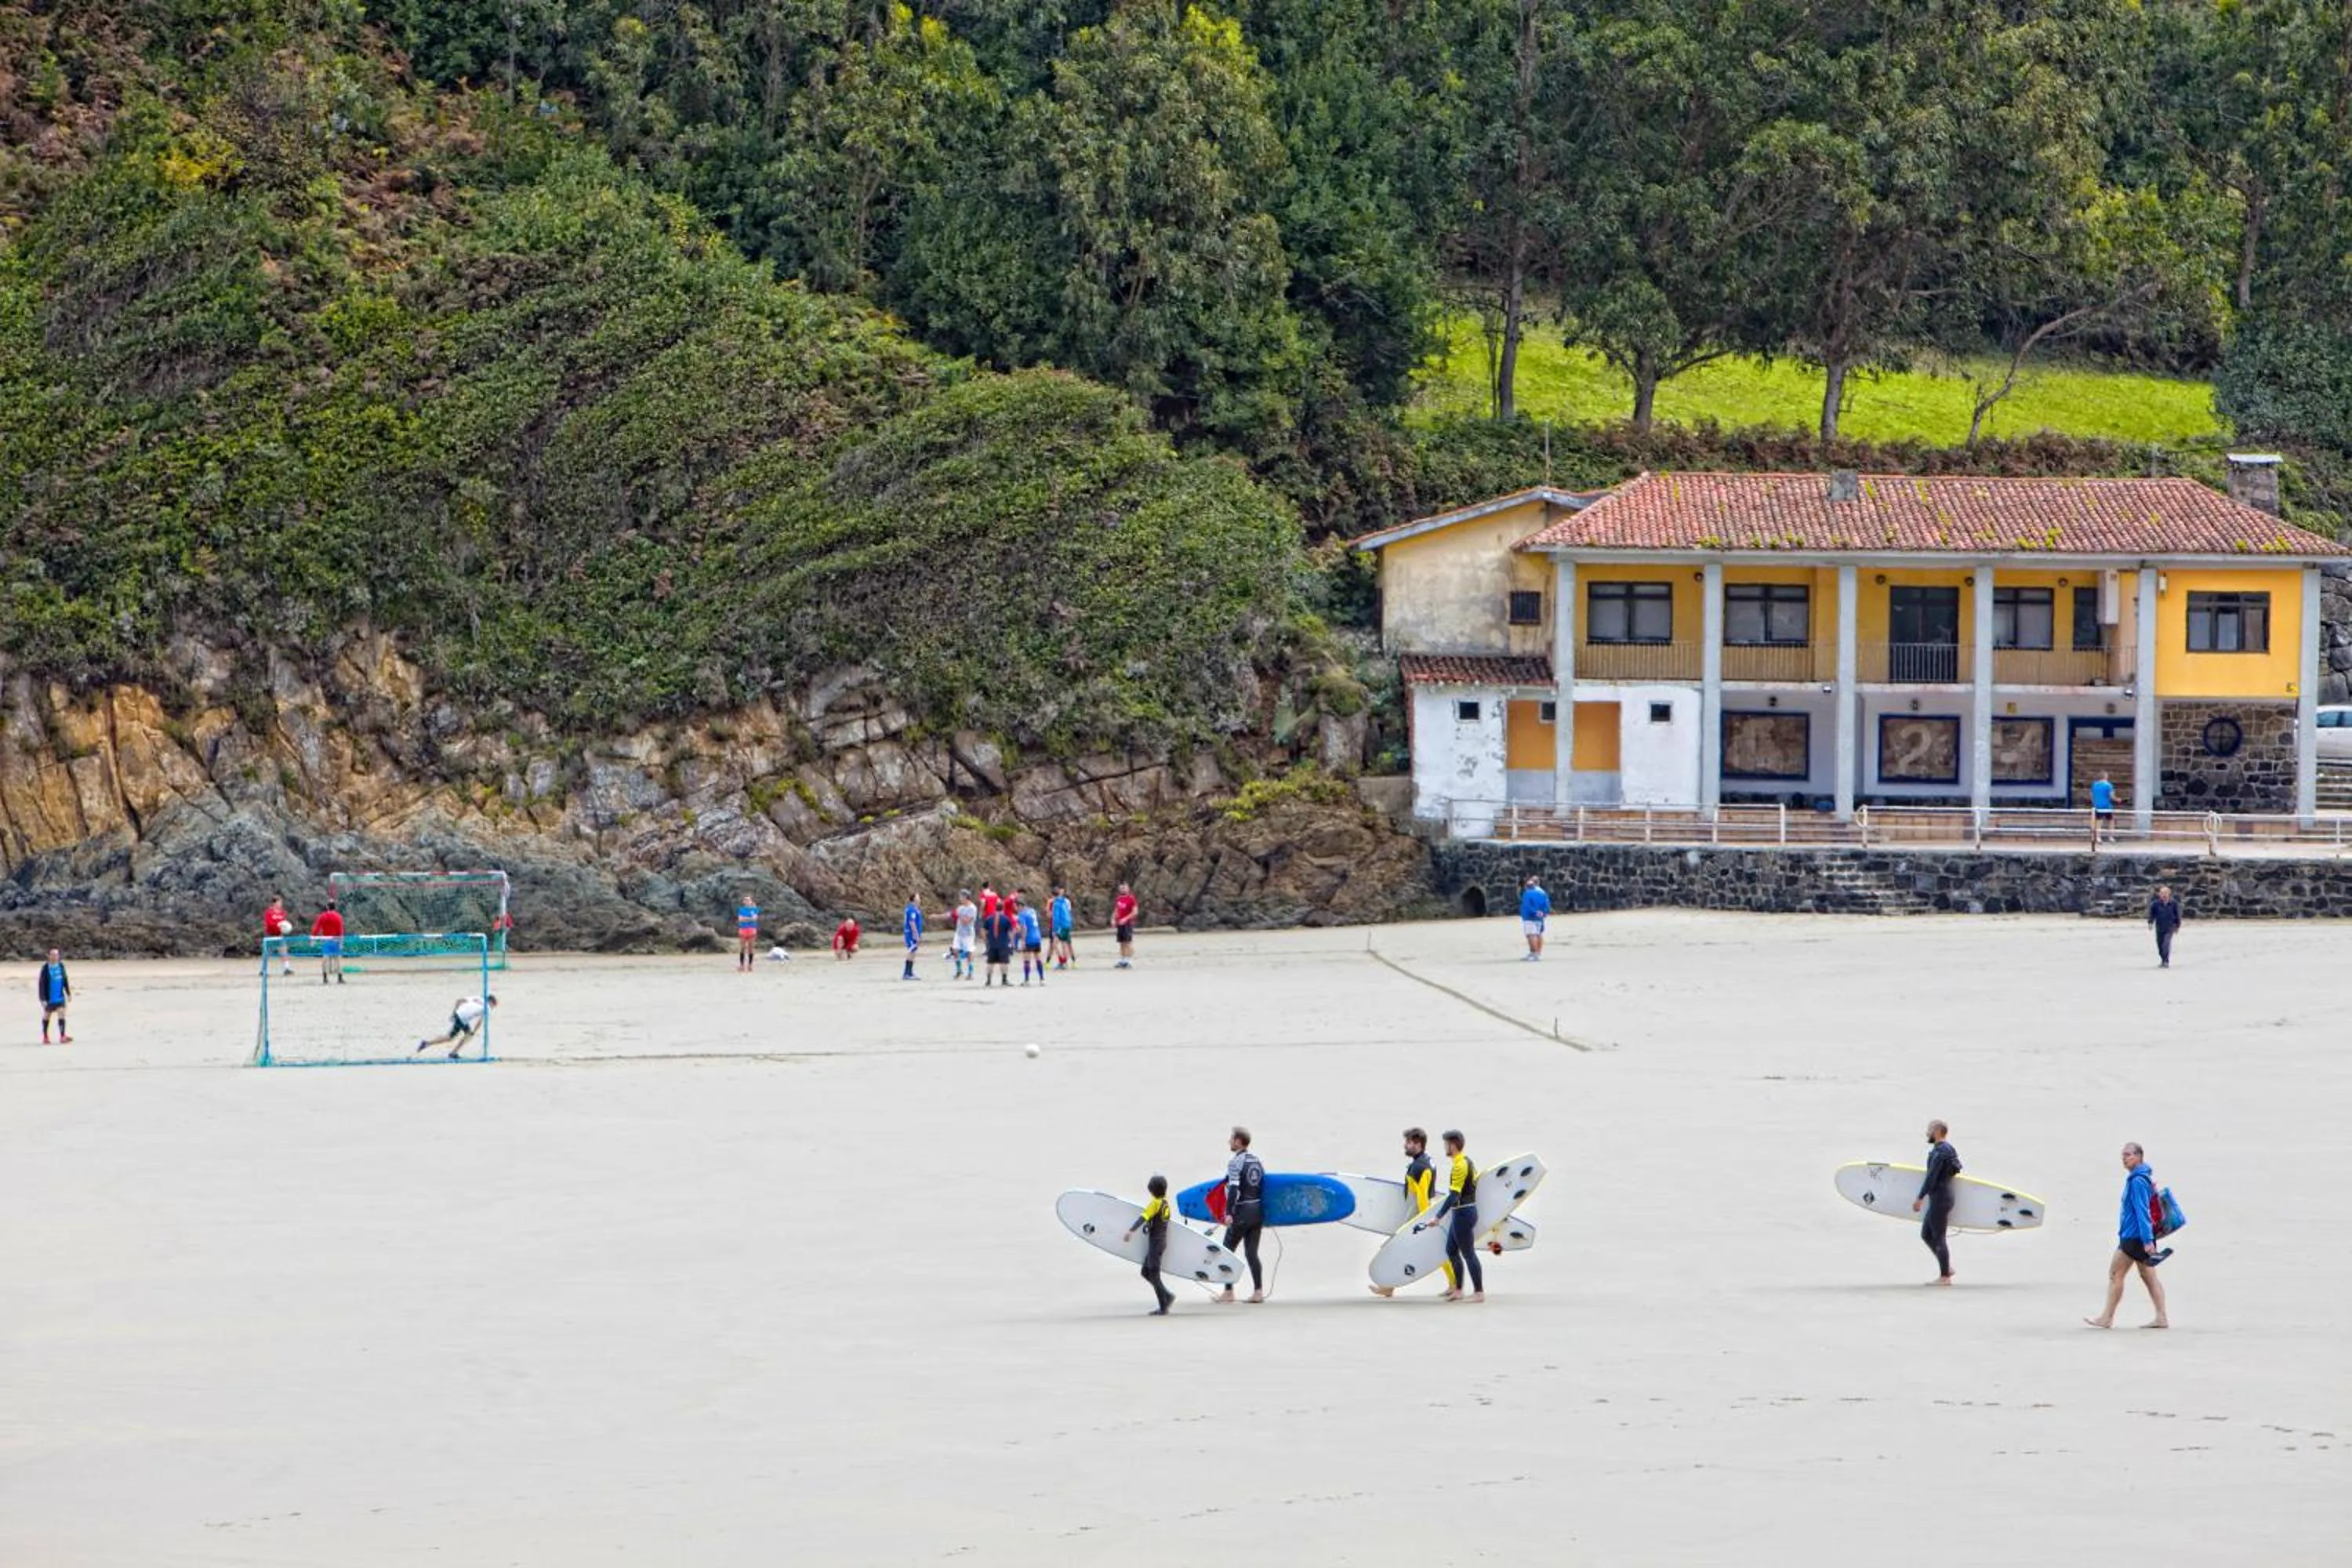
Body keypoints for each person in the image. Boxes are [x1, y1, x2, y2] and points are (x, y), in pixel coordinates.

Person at [2085, 1142, 2172, 1330]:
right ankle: (2162, 1317)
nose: (2124, 1159)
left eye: (2128, 1155)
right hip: (2137, 1236)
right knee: (2149, 1276)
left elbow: (2143, 1211)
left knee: (2115, 1274)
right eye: (2123, 1156)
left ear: (2139, 1156)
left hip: (2134, 1238)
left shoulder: (2138, 1181)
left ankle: (2107, 1318)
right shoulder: (2141, 1178)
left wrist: (2147, 1241)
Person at [1369, 1127, 1454, 1298]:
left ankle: (1388, 1287)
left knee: (1393, 1249)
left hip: (1416, 1217)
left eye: (1408, 1143)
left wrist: (1423, 1221)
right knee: (1437, 1250)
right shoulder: (1426, 1161)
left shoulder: (1419, 1167)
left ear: (1418, 1144)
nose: (1405, 1146)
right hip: (1419, 1214)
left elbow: (1422, 1197)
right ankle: (1454, 1284)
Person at [1430, 1129, 1485, 1303]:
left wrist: (1438, 1216)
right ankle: (1459, 1290)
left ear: (1453, 1145)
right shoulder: (1466, 1161)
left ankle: (1479, 1293)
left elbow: (1454, 1195)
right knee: (1451, 1250)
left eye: (1446, 1144)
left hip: (1464, 1214)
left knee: (1469, 1254)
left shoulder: (1460, 1166)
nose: (1445, 1147)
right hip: (1461, 1213)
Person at [1215, 1127, 1266, 1304]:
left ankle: (1229, 1292)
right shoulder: (1257, 1161)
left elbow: (1234, 1189)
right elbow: (1263, 1187)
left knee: (1227, 1251)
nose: (1229, 1142)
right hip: (1257, 1213)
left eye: (1231, 1139)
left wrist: (1229, 1213)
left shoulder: (1235, 1162)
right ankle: (1258, 1292)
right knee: (1252, 1253)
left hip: (1242, 1212)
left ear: (1238, 1142)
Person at [1911, 1120, 1961, 1286]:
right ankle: (1947, 1268)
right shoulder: (1949, 1149)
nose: (1927, 1134)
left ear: (1938, 1131)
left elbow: (1931, 1177)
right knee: (1926, 1234)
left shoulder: (1940, 1152)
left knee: (1939, 1237)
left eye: (1929, 1130)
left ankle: (1945, 1277)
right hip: (1944, 1197)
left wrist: (1920, 1198)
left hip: (1940, 1198)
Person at [1122, 1174, 1179, 1316]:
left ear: (1152, 1190)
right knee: (1145, 1272)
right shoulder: (1165, 1203)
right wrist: (1150, 1225)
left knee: (1154, 1274)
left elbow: (1143, 1217)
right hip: (1160, 1242)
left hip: (1156, 1243)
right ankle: (1167, 1296)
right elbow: (1156, 1220)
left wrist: (1131, 1231)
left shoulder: (1156, 1203)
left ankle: (1164, 1306)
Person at [416, 994, 496, 1060]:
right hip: (463, 1018)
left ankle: (428, 1044)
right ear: (491, 1002)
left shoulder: (477, 998)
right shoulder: (488, 1007)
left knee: (451, 1037)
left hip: (459, 1015)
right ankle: (452, 1052)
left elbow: (459, 1001)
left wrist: (454, 1013)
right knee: (465, 1035)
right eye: (493, 1006)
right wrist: (474, 1032)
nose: (492, 1008)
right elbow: (480, 1021)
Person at [979, 896, 1017, 987]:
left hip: (992, 944)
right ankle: (1004, 980)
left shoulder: (989, 919)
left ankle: (988, 981)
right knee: (1004, 962)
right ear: (1003, 909)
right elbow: (1010, 932)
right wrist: (1012, 943)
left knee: (990, 962)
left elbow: (982, 931)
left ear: (995, 908)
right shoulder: (1006, 919)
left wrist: (986, 940)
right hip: (1003, 944)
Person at [36, 948, 71, 1044]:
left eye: (56, 955)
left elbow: (65, 979)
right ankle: (45, 1037)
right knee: (47, 1016)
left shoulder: (61, 966)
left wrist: (68, 993)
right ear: (49, 956)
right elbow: (41, 984)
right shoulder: (45, 968)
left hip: (60, 996)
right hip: (49, 998)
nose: (55, 957)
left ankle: (62, 1036)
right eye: (53, 955)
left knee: (61, 1014)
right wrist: (42, 999)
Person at [310, 898, 346, 985]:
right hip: (336, 939)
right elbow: (340, 931)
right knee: (337, 959)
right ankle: (340, 978)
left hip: (326, 939)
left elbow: (316, 929)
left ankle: (325, 978)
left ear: (327, 907)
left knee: (325, 958)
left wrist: (313, 939)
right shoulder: (338, 917)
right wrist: (341, 943)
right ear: (335, 907)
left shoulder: (322, 916)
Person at [2148, 884, 2182, 968]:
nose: (2164, 895)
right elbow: (2152, 915)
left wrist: (2177, 926)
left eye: (2166, 893)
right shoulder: (2155, 904)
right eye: (2162, 893)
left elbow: (2177, 915)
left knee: (2166, 944)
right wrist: (2150, 923)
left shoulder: (2174, 903)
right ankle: (2163, 959)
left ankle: (2166, 961)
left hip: (2170, 927)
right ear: (2159, 894)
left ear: (2169, 894)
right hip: (2159, 927)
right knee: (2160, 946)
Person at [1519, 875, 1551, 960]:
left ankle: (1534, 953)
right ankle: (1537, 953)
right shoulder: (1542, 893)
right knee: (1538, 934)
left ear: (1526, 886)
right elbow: (1547, 905)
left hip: (1530, 917)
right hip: (1539, 917)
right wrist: (1543, 913)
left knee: (1531, 935)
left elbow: (1527, 906)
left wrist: (1534, 912)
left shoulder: (1527, 894)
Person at [263, 895, 294, 976]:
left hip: (279, 935)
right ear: (274, 903)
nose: (281, 904)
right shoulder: (269, 912)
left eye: (281, 902)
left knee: (284, 952)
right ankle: (263, 970)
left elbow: (284, 923)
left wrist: (285, 928)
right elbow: (269, 923)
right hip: (270, 935)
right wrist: (278, 925)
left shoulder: (282, 912)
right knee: (267, 953)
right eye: (279, 902)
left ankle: (286, 969)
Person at [950, 889, 977, 981]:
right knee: (955, 950)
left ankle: (970, 972)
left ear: (966, 897)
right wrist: (937, 917)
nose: (960, 899)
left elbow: (967, 921)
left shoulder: (972, 908)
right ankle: (959, 970)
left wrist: (959, 915)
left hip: (968, 934)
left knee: (969, 952)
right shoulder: (960, 908)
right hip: (959, 933)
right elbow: (951, 914)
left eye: (961, 897)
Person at [1018, 899, 1047, 985]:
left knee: (1026, 959)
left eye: (1018, 907)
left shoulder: (1022, 914)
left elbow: (1024, 928)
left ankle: (1027, 980)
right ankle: (1042, 979)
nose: (1017, 909)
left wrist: (1023, 940)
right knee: (1038, 958)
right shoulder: (1032, 911)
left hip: (1029, 938)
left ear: (1021, 906)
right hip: (1037, 937)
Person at [1112, 884, 1139, 970]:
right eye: (1121, 888)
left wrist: (1126, 919)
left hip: (1128, 924)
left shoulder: (1131, 898)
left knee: (1127, 942)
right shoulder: (1119, 898)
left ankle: (1128, 960)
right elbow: (1116, 910)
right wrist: (1113, 919)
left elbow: (1135, 912)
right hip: (1120, 924)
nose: (1122, 889)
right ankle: (1122, 960)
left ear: (1128, 888)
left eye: (1124, 887)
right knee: (1122, 942)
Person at [1049, 886, 1076, 970]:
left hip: (1061, 925)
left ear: (1053, 895)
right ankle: (1065, 963)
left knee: (1054, 944)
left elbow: (1056, 918)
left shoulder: (1056, 904)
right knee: (1064, 943)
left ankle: (1062, 961)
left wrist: (1055, 929)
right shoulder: (1064, 901)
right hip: (1067, 924)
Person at [900, 895, 924, 981]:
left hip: (913, 933)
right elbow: (912, 922)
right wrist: (916, 934)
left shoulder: (915, 909)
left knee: (913, 952)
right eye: (918, 898)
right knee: (911, 952)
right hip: (910, 934)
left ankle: (910, 972)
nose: (920, 899)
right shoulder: (911, 909)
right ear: (914, 900)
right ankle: (907, 973)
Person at [735, 892, 760, 973]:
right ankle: (742, 965)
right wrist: (750, 918)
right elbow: (740, 919)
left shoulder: (755, 909)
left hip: (752, 929)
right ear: (744, 902)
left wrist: (746, 918)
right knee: (742, 948)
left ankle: (750, 965)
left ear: (751, 901)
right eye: (746, 900)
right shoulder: (741, 909)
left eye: (749, 900)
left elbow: (755, 918)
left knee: (751, 948)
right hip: (743, 929)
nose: (747, 901)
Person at [2090, 772, 2116, 846]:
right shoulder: (2108, 785)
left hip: (2097, 806)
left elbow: (2091, 795)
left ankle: (2098, 837)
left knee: (2099, 822)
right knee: (2111, 821)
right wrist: (2118, 800)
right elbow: (2111, 796)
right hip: (2107, 806)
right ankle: (2111, 837)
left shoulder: (2094, 785)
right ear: (2105, 777)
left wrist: (2094, 803)